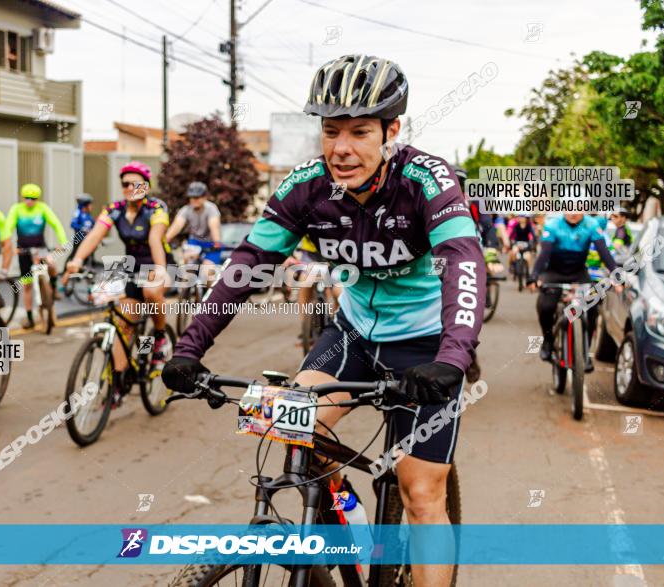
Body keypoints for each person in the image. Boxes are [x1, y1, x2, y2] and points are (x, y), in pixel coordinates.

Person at [163, 54, 484, 587]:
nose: (341, 147)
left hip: (427, 345)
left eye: (360, 132)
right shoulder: (307, 186)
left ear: (392, 131)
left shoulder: (427, 179)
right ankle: (356, 543)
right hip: (353, 333)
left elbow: (463, 264)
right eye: (331, 131)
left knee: (421, 495)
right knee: (289, 426)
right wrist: (189, 348)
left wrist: (453, 358)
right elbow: (247, 265)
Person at [64, 161, 174, 405]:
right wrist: (77, 260)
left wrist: (158, 269)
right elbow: (94, 235)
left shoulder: (157, 208)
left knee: (151, 291)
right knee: (121, 324)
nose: (130, 188)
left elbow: (156, 239)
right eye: (125, 184)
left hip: (160, 262)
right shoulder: (114, 209)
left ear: (146, 187)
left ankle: (159, 337)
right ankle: (119, 380)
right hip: (132, 267)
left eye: (137, 184)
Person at [528, 213, 620, 371]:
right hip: (554, 271)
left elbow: (604, 252)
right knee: (546, 306)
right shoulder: (553, 224)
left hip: (578, 273)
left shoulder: (591, 224)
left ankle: (584, 353)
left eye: (577, 208)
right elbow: (544, 254)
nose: (573, 213)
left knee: (592, 309)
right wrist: (534, 277)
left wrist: (617, 276)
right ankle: (548, 341)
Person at [3, 183, 68, 329]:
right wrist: (10, 247)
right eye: (27, 198)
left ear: (38, 198)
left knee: (51, 265)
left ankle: (54, 287)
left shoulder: (43, 208)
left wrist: (62, 243)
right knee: (27, 285)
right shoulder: (17, 209)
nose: (29, 201)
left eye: (33, 198)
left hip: (40, 249)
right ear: (22, 197)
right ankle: (30, 318)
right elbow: (8, 228)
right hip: (23, 252)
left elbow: (56, 224)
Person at [165, 181, 223, 266]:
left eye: (197, 197)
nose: (194, 200)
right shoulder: (186, 210)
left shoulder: (211, 208)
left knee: (208, 269)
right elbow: (177, 225)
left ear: (204, 197)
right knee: (187, 264)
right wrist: (166, 239)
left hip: (211, 243)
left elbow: (214, 227)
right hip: (195, 241)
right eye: (192, 197)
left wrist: (216, 243)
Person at [69, 193, 95, 265]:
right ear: (85, 205)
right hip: (79, 238)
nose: (91, 207)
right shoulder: (78, 213)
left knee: (90, 254)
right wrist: (83, 229)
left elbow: (93, 225)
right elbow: (73, 224)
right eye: (90, 204)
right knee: (75, 254)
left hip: (88, 239)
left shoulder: (88, 215)